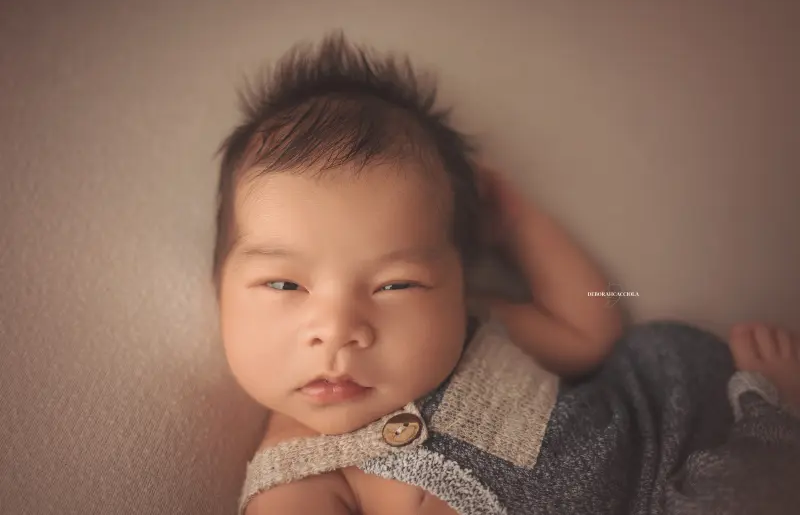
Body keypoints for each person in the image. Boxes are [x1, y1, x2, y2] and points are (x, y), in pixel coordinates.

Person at [211, 30, 800, 515]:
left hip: (653, 442)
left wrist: (518, 223)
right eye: (285, 284)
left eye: (397, 285)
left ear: (458, 281)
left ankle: (770, 423)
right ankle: (775, 419)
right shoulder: (294, 472)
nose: (339, 329)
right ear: (219, 292)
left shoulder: (472, 328)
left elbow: (594, 326)